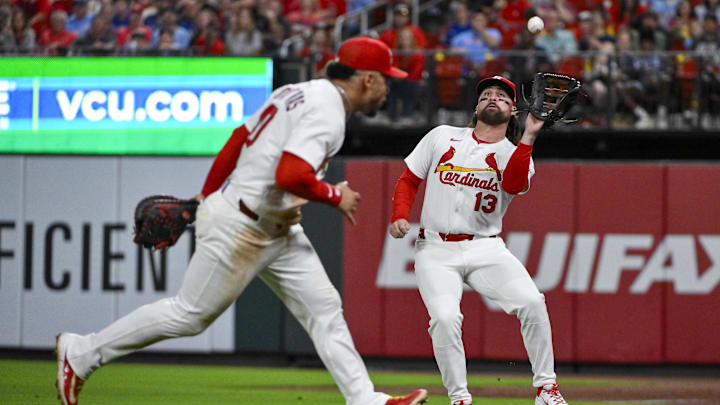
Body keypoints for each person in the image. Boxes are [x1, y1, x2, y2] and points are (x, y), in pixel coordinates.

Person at [55, 36, 428, 405]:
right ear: (367, 79)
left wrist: (206, 193)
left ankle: (365, 400)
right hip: (243, 225)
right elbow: (289, 174)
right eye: (386, 79)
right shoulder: (329, 112)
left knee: (324, 309)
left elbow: (240, 138)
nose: (387, 88)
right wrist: (335, 195)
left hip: (276, 227)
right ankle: (82, 353)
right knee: (190, 315)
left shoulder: (297, 91)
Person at [387, 75, 570, 405]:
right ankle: (459, 399)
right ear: (476, 106)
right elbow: (408, 179)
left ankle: (546, 390)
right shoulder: (442, 137)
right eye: (487, 93)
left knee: (532, 302)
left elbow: (514, 184)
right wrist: (400, 213)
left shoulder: (514, 154)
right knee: (444, 319)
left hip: (485, 246)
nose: (493, 97)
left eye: (502, 95)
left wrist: (529, 135)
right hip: (435, 248)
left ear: (514, 110)